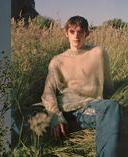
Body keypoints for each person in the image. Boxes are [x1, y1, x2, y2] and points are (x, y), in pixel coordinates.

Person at [41, 15, 122, 157]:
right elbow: (48, 92)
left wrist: (104, 103)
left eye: (80, 31)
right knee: (19, 117)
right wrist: (56, 117)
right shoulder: (57, 61)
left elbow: (108, 87)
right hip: (64, 110)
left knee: (111, 107)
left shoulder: (98, 53)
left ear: (87, 33)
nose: (76, 35)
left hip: (87, 110)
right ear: (66, 33)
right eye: (72, 31)